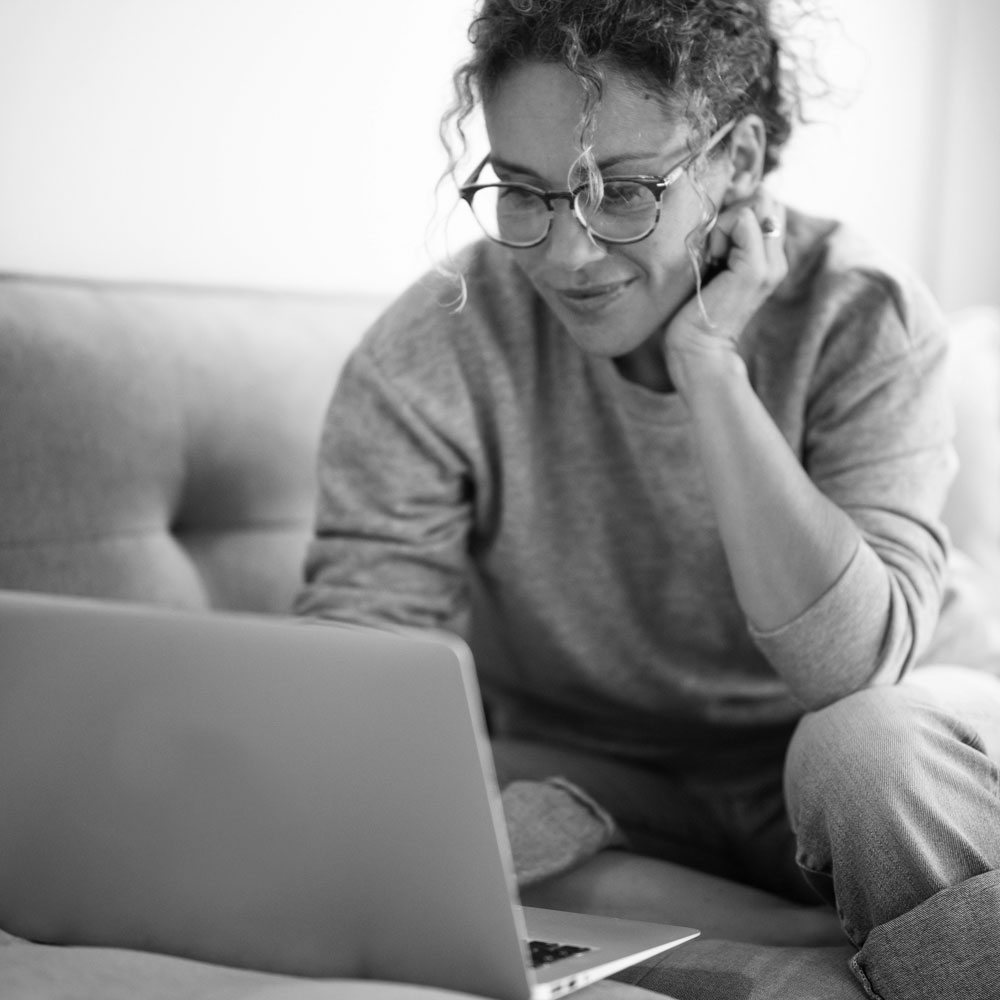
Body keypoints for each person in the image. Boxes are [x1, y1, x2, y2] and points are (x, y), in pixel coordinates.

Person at [295, 1, 1000, 996]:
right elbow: (359, 674)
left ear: (739, 158)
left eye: (623, 192)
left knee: (865, 751)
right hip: (606, 777)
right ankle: (794, 940)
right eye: (524, 193)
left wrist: (709, 366)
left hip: (867, 735)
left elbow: (852, 668)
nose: (566, 253)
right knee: (406, 809)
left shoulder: (860, 315)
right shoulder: (432, 347)